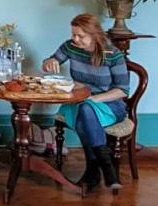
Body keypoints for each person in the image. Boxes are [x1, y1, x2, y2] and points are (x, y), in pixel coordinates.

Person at [42, 13, 129, 192]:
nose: (75, 39)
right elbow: (48, 62)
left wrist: (94, 99)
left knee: (86, 109)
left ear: (94, 34)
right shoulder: (70, 47)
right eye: (73, 34)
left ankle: (94, 170)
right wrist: (50, 62)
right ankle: (104, 170)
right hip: (80, 102)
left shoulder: (112, 54)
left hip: (110, 104)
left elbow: (122, 90)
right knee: (84, 110)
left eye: (80, 36)